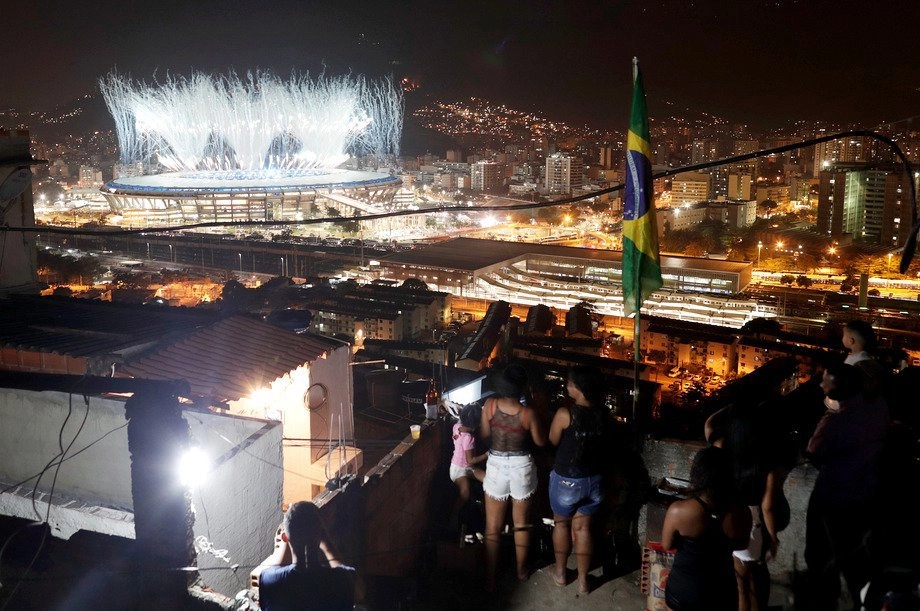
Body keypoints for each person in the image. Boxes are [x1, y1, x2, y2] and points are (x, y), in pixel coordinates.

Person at [804, 363, 889, 610]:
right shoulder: (878, 407)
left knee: (821, 556)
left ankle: (826, 600)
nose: (821, 384)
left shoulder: (835, 422)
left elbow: (813, 452)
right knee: (855, 554)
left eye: (826, 381)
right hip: (866, 491)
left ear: (837, 389)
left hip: (833, 495)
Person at [480, 363, 547, 591]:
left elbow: (485, 435)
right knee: (521, 525)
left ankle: (490, 579)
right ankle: (521, 571)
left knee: (492, 527)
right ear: (522, 388)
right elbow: (540, 442)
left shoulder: (490, 406)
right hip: (522, 468)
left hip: (496, 466)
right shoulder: (528, 413)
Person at [662, 445, 752, 611]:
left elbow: (667, 545)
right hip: (722, 593)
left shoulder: (678, 510)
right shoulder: (743, 512)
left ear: (698, 474)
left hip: (684, 591)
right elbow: (742, 545)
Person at [547, 365, 609, 594]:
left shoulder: (566, 414)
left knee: (561, 525)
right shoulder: (604, 414)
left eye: (570, 383)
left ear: (579, 387)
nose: (567, 386)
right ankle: (584, 582)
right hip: (595, 482)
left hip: (567, 481)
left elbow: (552, 441)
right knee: (583, 529)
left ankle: (561, 574)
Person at [256, 501, 356, 611]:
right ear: (321, 535)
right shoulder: (342, 579)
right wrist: (327, 545)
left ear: (285, 537)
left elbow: (274, 570)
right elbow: (349, 576)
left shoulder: (268, 580)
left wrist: (284, 543)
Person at [450, 403, 487, 529]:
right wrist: (487, 455)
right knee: (465, 493)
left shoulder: (457, 426)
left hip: (465, 468)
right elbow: (471, 460)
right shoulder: (468, 438)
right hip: (459, 470)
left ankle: (484, 508)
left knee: (488, 480)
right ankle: (454, 516)